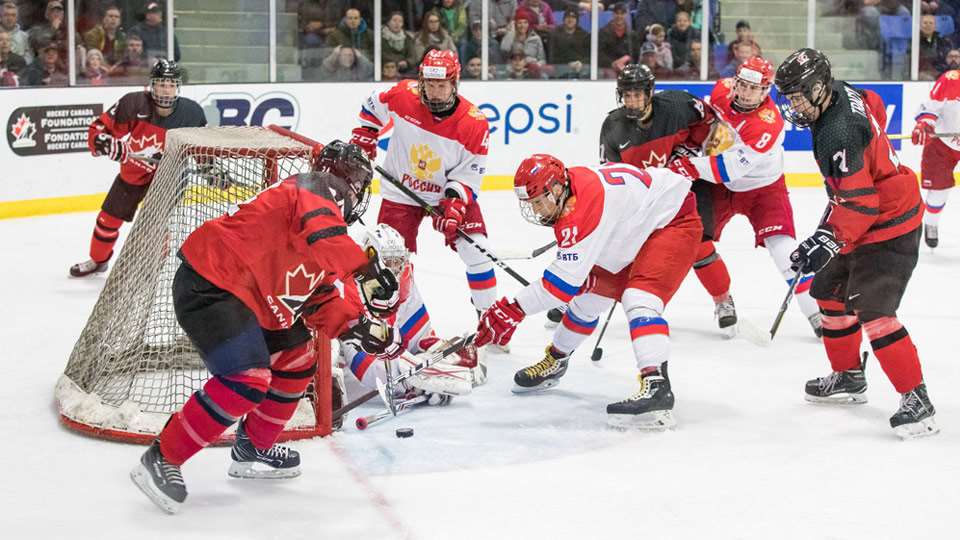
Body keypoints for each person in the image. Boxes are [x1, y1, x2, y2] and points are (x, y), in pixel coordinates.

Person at [130, 142, 400, 514]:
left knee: (298, 361)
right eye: (349, 180)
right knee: (247, 379)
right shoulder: (310, 190)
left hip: (252, 297)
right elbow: (328, 238)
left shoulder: (324, 231)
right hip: (213, 283)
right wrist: (364, 270)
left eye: (355, 183)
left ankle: (252, 448)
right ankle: (162, 457)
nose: (349, 189)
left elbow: (314, 295)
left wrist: (357, 327)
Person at [775, 48, 937, 439]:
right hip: (860, 210)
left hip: (891, 221)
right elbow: (875, 106)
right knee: (828, 293)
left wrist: (828, 239)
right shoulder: (842, 91)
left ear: (817, 88)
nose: (793, 105)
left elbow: (864, 205)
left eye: (797, 95)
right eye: (790, 96)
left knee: (875, 311)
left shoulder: (838, 132)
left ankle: (918, 400)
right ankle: (848, 376)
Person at [475, 155, 700, 430]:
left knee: (640, 299)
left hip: (672, 221)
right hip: (633, 227)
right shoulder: (571, 192)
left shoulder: (579, 210)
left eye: (538, 201)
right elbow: (570, 280)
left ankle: (657, 385)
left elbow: (560, 287)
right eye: (530, 204)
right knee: (588, 300)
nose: (536, 210)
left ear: (557, 189)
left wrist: (513, 309)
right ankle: (556, 361)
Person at [349, 50, 505, 351]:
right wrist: (365, 133)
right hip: (401, 192)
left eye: (442, 86)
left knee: (478, 252)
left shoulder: (474, 123)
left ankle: (490, 322)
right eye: (429, 85)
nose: (434, 92)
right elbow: (372, 107)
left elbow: (469, 174)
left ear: (455, 83)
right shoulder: (403, 95)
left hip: (446, 191)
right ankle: (389, 322)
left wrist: (454, 203)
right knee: (389, 261)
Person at [667, 56, 823, 337]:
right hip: (720, 188)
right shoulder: (720, 91)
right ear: (735, 82)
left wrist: (688, 165)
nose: (747, 92)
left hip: (763, 189)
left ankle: (816, 311)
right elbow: (703, 122)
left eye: (756, 88)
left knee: (783, 248)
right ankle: (722, 300)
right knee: (696, 240)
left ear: (767, 91)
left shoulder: (767, 123)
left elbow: (727, 167)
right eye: (743, 85)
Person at [69, 60, 206, 277]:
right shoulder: (133, 104)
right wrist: (107, 143)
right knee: (107, 221)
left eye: (170, 85)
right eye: (161, 84)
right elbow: (98, 130)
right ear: (152, 85)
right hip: (133, 172)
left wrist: (210, 169)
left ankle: (152, 269)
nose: (165, 90)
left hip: (168, 178)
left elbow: (202, 149)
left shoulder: (192, 113)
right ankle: (97, 260)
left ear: (178, 87)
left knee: (155, 225)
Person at [339, 223, 487, 402]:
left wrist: (446, 353)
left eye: (398, 261)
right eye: (388, 262)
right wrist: (416, 381)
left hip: (384, 364)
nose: (395, 269)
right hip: (346, 374)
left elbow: (419, 339)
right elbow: (364, 364)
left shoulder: (404, 281)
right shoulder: (351, 287)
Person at [912, 67, 960, 248]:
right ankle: (931, 223)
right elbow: (931, 106)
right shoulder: (951, 79)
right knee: (939, 190)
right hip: (943, 142)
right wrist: (925, 123)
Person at [598, 2, 639, 75]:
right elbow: (600, 53)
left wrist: (627, 58)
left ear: (626, 14)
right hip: (608, 67)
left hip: (627, 67)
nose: (619, 16)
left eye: (622, 13)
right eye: (617, 13)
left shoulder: (632, 35)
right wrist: (612, 63)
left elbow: (636, 54)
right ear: (613, 14)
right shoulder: (603, 32)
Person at [548, 8, 590, 79]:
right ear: (564, 19)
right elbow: (551, 57)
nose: (570, 20)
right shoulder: (554, 34)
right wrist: (567, 64)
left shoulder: (584, 34)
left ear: (577, 20)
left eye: (573, 17)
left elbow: (589, 55)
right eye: (568, 17)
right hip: (561, 67)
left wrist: (581, 62)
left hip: (580, 67)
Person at [382, 11, 416, 76]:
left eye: (400, 21)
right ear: (388, 22)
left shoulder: (407, 37)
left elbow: (412, 56)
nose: (397, 23)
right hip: (387, 69)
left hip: (405, 70)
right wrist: (397, 62)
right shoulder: (382, 37)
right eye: (394, 20)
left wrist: (407, 62)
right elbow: (383, 54)